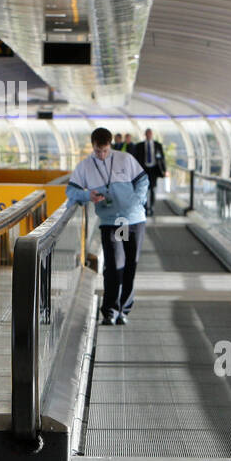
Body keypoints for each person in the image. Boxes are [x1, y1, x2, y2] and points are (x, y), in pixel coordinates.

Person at [66, 127, 148, 325]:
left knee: (129, 265)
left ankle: (124, 309)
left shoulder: (125, 159)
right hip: (112, 222)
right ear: (92, 146)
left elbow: (143, 180)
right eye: (97, 151)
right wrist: (88, 195)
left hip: (133, 219)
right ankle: (109, 310)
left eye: (104, 151)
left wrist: (136, 200)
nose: (101, 155)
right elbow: (71, 190)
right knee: (113, 265)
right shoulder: (85, 166)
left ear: (110, 145)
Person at [135, 128, 167, 215]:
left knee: (152, 189)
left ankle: (152, 207)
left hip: (153, 169)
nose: (149, 135)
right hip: (143, 170)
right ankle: (145, 207)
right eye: (147, 134)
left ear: (152, 135)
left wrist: (164, 170)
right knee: (144, 189)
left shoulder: (157, 145)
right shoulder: (139, 146)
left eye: (150, 134)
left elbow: (162, 159)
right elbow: (136, 159)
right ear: (145, 135)